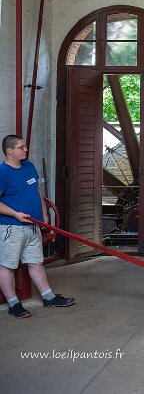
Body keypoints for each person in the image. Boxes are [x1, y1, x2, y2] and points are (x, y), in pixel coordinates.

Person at [0, 134, 74, 318]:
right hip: (12, 228)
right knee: (7, 266)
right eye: (21, 147)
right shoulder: (3, 172)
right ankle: (13, 303)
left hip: (34, 225)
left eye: (24, 146)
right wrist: (16, 214)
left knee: (36, 262)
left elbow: (37, 191)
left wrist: (44, 213)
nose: (25, 149)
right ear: (9, 151)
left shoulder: (28, 166)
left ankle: (48, 297)